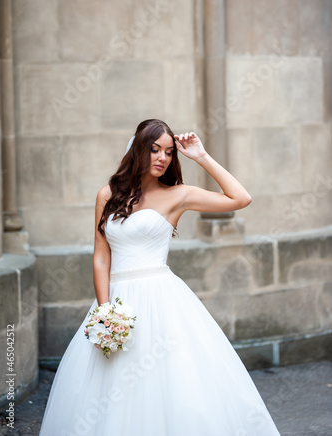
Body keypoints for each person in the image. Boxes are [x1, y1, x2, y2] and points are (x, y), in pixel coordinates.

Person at [39, 118, 281, 436]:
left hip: (162, 299)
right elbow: (101, 256)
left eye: (168, 152)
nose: (162, 158)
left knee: (170, 381)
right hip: (116, 303)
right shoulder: (107, 194)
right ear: (139, 150)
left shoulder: (178, 195)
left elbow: (240, 198)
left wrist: (201, 155)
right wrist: (104, 311)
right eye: (154, 150)